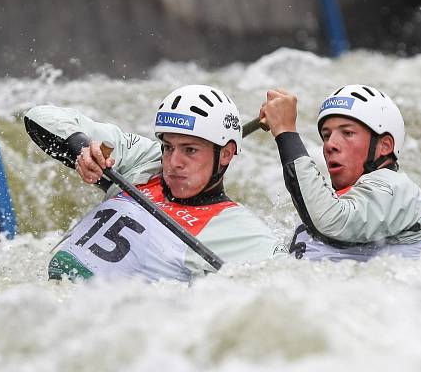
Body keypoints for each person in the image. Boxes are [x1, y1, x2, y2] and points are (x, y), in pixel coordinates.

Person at [25, 84, 286, 282]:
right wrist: (82, 147)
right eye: (168, 146)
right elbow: (39, 116)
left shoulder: (242, 231)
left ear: (226, 154)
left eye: (190, 150)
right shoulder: (145, 161)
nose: (173, 162)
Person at [259, 84, 421, 264]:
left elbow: (333, 221)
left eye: (347, 133)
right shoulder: (337, 201)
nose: (330, 145)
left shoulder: (398, 190)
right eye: (326, 135)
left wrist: (285, 132)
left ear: (385, 146)